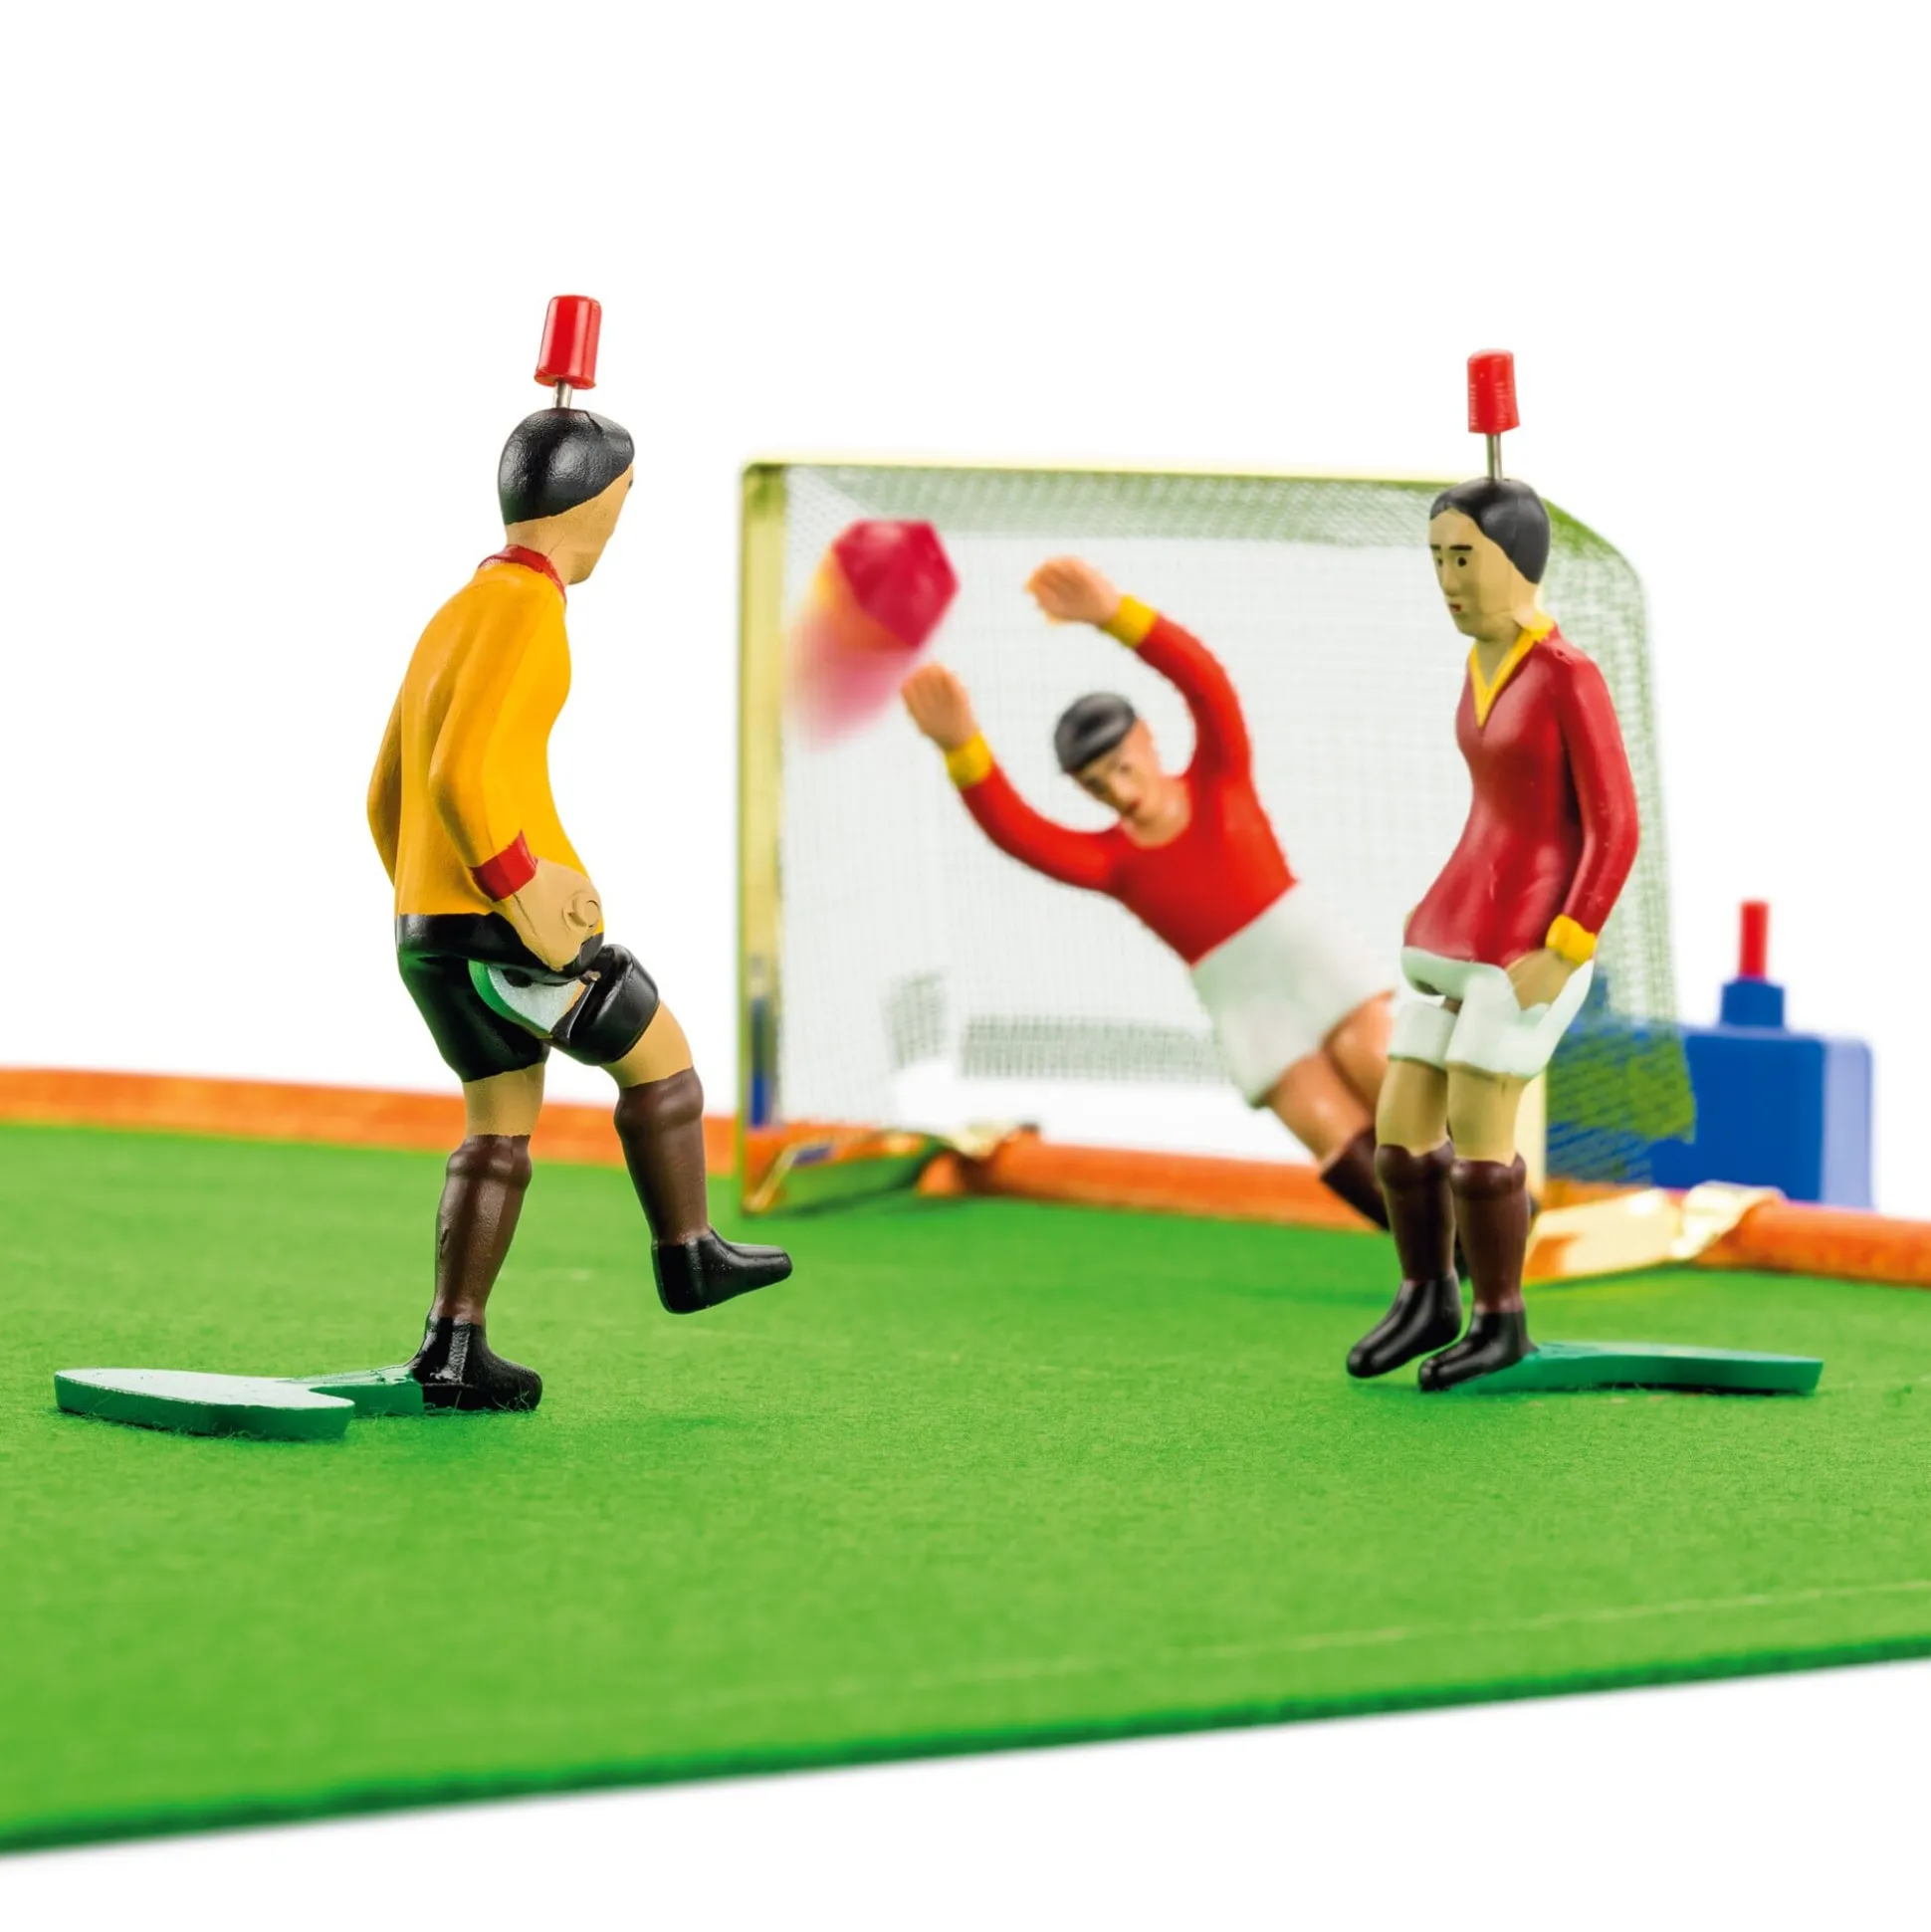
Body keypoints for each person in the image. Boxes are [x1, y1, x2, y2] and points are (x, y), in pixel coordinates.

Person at [366, 378, 790, 1412]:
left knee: (498, 1124)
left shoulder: (454, 611)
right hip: (502, 928)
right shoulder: (526, 611)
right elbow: (458, 773)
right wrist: (517, 891)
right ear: (597, 499)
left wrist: (427, 905)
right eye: (625, 497)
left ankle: (452, 1346)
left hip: (430, 930)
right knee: (659, 1050)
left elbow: (385, 793)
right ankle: (688, 1252)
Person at [901, 556, 1394, 1226]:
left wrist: (1116, 617)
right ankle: (1433, 1253)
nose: (1120, 791)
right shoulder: (1114, 863)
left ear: (1146, 739)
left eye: (1122, 766)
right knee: (1325, 1124)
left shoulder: (1219, 779)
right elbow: (1019, 834)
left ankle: (1495, 1199)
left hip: (1300, 946)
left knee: (1378, 1062)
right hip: (1238, 991)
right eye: (1097, 786)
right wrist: (964, 750)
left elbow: (1206, 685)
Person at [1347, 476, 1638, 1391]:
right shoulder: (1479, 663)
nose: (1448, 579)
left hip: (1531, 941)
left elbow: (1616, 825)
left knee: (1478, 1114)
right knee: (1402, 1114)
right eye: (1438, 558)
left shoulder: (1567, 675)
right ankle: (1426, 1293)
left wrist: (1566, 945)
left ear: (1517, 559)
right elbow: (1493, 813)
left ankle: (1500, 1317)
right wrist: (1437, 904)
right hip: (1467, 924)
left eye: (1464, 557)